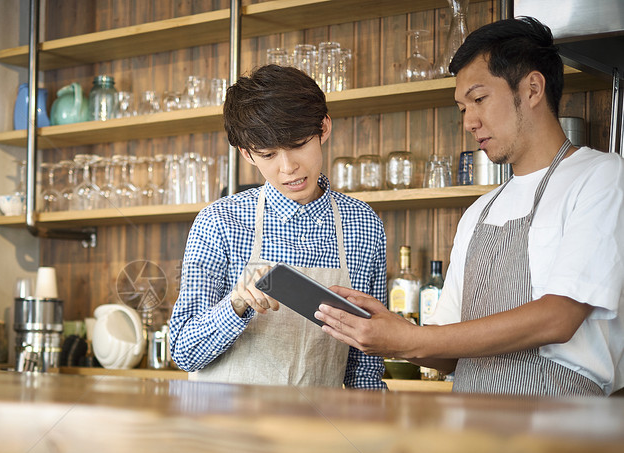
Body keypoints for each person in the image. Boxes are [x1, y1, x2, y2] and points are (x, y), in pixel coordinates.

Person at [315, 17, 624, 396]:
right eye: (462, 108)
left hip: (560, 425)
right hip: (472, 424)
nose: (469, 121)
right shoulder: (480, 212)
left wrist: (410, 339)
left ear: (532, 88)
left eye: (479, 99)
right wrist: (387, 328)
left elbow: (558, 318)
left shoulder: (601, 176)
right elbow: (447, 352)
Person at [168, 64, 388, 388]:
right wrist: (236, 305)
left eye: (298, 144)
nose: (288, 168)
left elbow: (364, 368)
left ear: (323, 128)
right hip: (226, 432)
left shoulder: (364, 225)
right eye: (268, 154)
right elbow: (183, 351)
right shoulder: (219, 222)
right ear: (246, 153)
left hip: (319, 431)